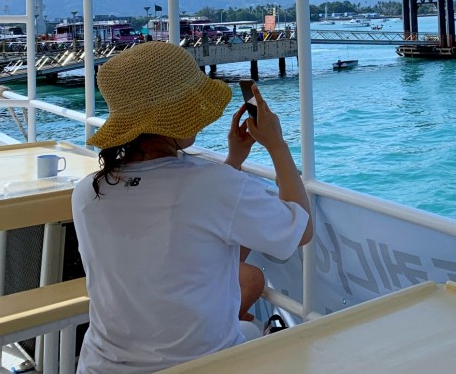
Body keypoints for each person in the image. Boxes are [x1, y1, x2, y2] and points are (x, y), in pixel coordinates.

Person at [71, 42, 312, 373]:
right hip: (198, 365)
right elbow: (301, 230)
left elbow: (180, 229)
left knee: (248, 302)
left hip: (101, 365)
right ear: (178, 115)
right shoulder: (211, 185)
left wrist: (234, 161)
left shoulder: (87, 192)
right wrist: (277, 145)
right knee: (255, 330)